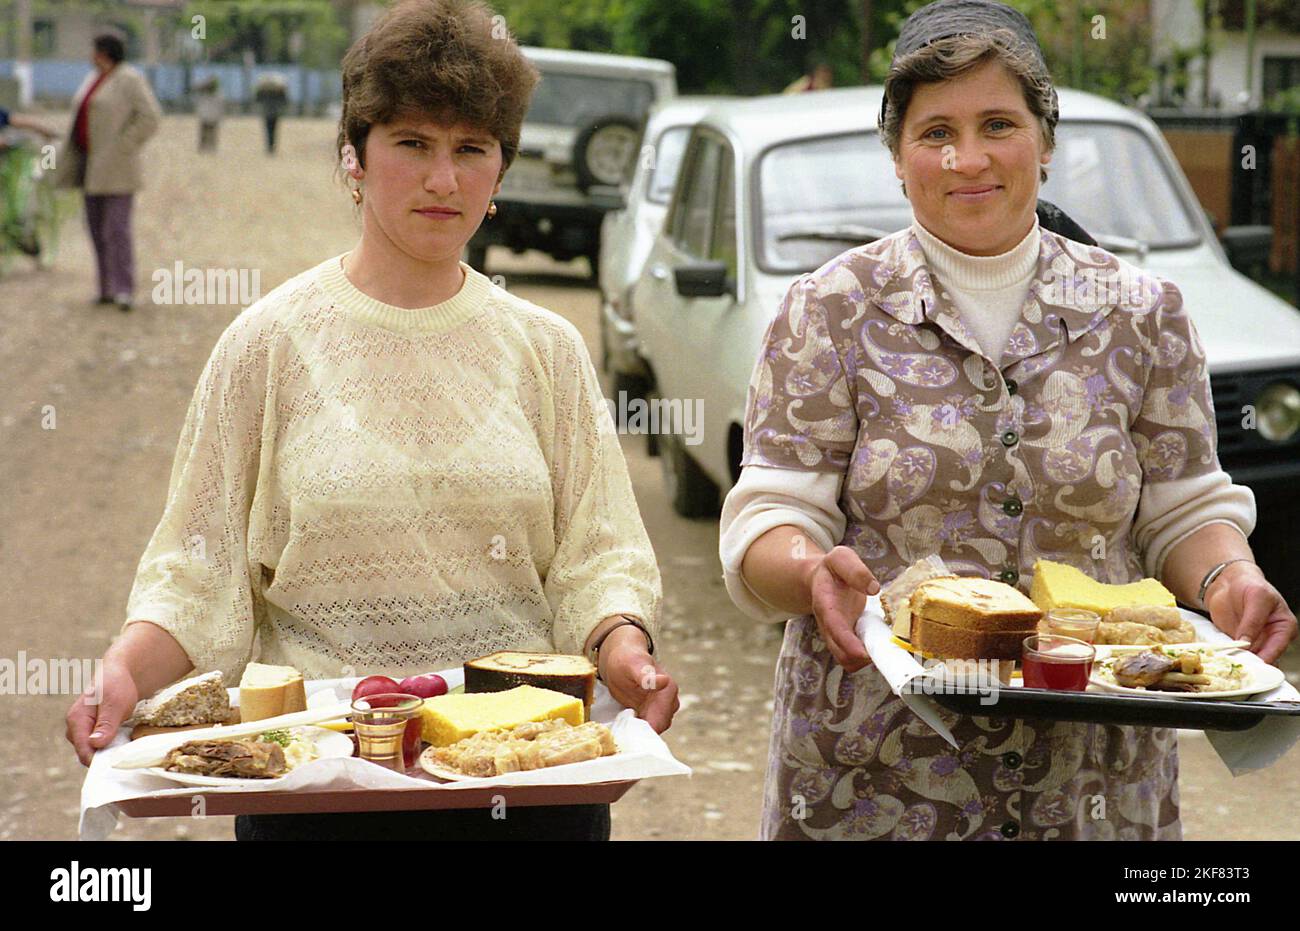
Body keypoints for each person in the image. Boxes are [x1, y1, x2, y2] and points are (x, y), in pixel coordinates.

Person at [65, 0, 678, 841]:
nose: (444, 179)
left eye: (472, 149)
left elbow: (598, 557)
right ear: (353, 155)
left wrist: (623, 651)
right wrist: (124, 672)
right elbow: (195, 572)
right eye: (412, 143)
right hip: (319, 788)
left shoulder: (549, 350)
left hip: (528, 778)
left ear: (501, 171)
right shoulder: (267, 345)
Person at [720, 0, 1295, 841]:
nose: (968, 158)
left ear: (1046, 142)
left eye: (999, 123)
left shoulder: (1139, 312)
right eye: (935, 131)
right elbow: (772, 511)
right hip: (874, 771)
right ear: (897, 156)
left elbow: (1185, 513)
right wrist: (809, 571)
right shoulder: (829, 311)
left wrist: (1227, 582)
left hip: (1090, 776)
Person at [51, 33, 161, 312]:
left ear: (104, 52)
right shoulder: (94, 79)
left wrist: (124, 145)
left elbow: (150, 117)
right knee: (96, 228)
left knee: (116, 230)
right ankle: (105, 287)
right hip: (89, 165)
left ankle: (124, 288)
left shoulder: (129, 79)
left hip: (117, 168)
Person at [253, 73, 288, 154]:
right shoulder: (279, 91)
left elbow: (257, 99)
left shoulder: (263, 91)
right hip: (275, 113)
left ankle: (269, 146)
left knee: (268, 129)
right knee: (274, 130)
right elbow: (284, 100)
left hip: (266, 112)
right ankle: (272, 146)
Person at [193, 75, 224, 152]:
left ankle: (206, 147)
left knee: (207, 133)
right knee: (209, 133)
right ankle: (209, 147)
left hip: (207, 116)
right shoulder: (217, 95)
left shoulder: (207, 95)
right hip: (211, 116)